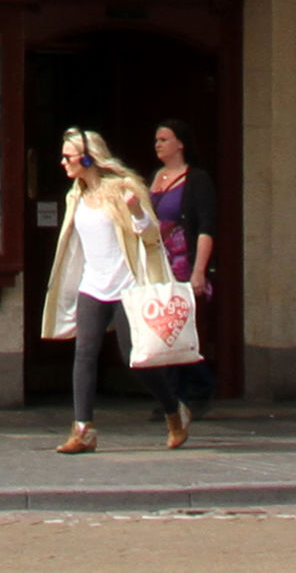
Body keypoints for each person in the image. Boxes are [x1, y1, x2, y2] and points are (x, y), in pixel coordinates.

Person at [40, 127, 168, 456]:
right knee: (84, 356)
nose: (63, 162)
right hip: (92, 287)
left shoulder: (122, 190)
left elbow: (151, 236)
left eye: (68, 157)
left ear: (87, 158)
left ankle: (173, 408)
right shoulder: (75, 196)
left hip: (125, 287)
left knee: (133, 358)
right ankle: (83, 429)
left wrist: (137, 211)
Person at [144, 117, 219, 450]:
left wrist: (199, 270)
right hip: (157, 265)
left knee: (182, 330)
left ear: (180, 144)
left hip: (182, 262)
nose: (158, 144)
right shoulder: (155, 179)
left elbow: (205, 227)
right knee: (160, 330)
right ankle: (172, 399)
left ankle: (195, 391)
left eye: (164, 139)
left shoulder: (197, 180)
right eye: (157, 139)